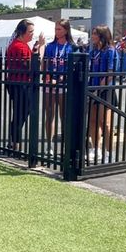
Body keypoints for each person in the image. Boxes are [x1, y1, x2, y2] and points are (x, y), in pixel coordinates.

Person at [5, 19, 43, 152]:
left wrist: (34, 50)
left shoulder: (19, 44)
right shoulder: (19, 46)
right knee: (20, 113)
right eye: (30, 32)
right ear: (22, 32)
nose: (32, 34)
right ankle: (15, 143)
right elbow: (32, 66)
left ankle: (13, 141)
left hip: (18, 83)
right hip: (20, 84)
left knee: (19, 112)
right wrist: (41, 49)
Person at [40, 19, 74, 154]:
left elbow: (71, 68)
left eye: (59, 29)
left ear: (66, 30)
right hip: (49, 85)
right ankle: (49, 144)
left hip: (64, 86)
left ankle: (66, 145)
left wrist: (60, 79)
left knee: (64, 116)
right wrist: (47, 76)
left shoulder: (72, 47)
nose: (56, 31)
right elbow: (45, 64)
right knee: (49, 115)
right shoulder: (50, 47)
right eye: (55, 29)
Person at [87, 25, 117, 164]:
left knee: (105, 123)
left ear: (102, 36)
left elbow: (110, 73)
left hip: (105, 90)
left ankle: (109, 152)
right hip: (93, 88)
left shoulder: (110, 51)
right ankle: (95, 148)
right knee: (92, 121)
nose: (92, 36)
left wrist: (100, 88)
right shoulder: (93, 52)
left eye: (95, 34)